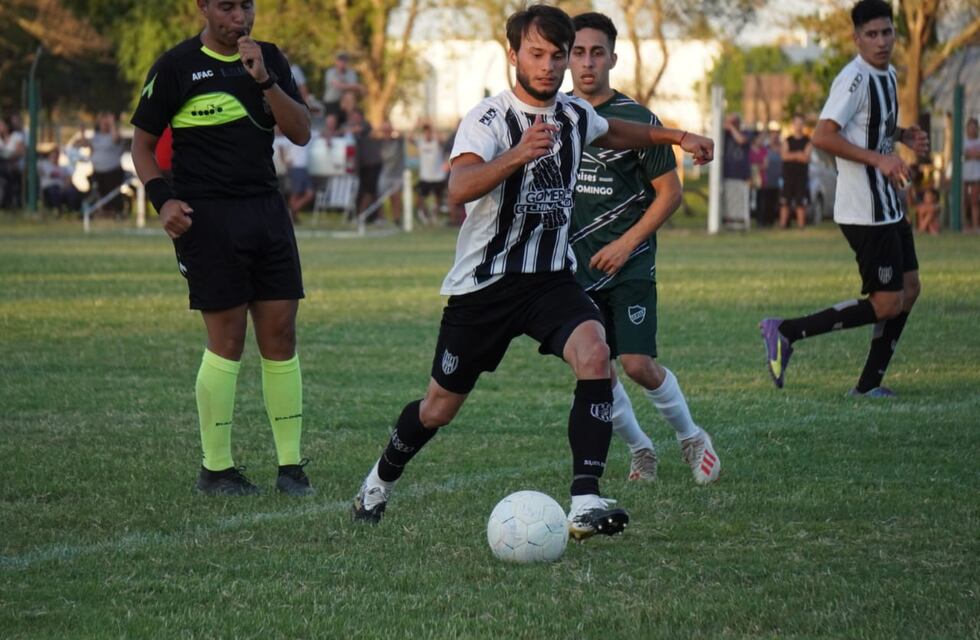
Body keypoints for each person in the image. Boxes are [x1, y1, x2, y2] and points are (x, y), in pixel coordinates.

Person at [350, 4, 713, 539]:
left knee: (595, 353)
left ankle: (585, 499)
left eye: (556, 55)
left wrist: (677, 137)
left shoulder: (572, 114)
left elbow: (614, 132)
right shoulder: (489, 119)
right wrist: (518, 155)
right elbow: (460, 187)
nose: (548, 65)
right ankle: (379, 480)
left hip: (549, 279)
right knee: (437, 409)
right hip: (486, 286)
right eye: (536, 54)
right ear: (513, 53)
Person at [130, 0, 314, 495]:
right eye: (228, 7)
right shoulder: (175, 66)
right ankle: (216, 469)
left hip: (266, 212)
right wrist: (162, 200)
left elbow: (300, 133)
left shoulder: (269, 58)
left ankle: (291, 467)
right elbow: (142, 146)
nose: (241, 17)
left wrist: (265, 80)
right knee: (227, 340)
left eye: (247, 6)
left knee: (280, 334)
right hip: (207, 219)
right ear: (204, 8)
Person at [567, 12, 720, 485]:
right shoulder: (559, 115)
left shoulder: (638, 120)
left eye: (597, 52)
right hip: (573, 270)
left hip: (630, 264)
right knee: (596, 371)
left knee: (636, 364)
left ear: (614, 57)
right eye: (577, 52)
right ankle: (641, 449)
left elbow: (669, 193)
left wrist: (625, 243)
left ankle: (692, 437)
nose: (587, 62)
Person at [759, 0, 929, 398]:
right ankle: (787, 330)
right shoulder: (853, 79)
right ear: (856, 39)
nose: (881, 41)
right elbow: (824, 135)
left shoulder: (886, 74)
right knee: (887, 303)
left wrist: (901, 135)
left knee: (911, 288)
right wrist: (880, 159)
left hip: (887, 204)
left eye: (887, 32)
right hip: (863, 209)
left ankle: (869, 385)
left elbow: (868, 127)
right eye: (872, 34)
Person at [87, 112, 127, 216]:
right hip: (98, 172)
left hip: (112, 171)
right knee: (99, 193)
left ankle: (116, 212)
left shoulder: (114, 135)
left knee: (112, 194)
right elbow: (91, 150)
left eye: (106, 123)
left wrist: (112, 123)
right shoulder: (96, 136)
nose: (104, 125)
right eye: (102, 122)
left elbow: (115, 139)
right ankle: (102, 212)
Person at [779, 114, 812, 230]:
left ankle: (801, 226)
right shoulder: (787, 140)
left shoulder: (807, 140)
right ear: (793, 125)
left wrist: (791, 155)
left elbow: (806, 157)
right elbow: (784, 156)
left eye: (800, 123)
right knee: (785, 201)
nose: (798, 126)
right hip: (788, 176)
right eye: (796, 123)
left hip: (801, 177)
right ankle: (783, 225)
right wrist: (798, 154)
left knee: (800, 202)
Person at [414, 121, 447, 223]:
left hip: (438, 176)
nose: (428, 134)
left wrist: (433, 127)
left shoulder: (436, 142)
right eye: (426, 132)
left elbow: (442, 139)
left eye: (429, 132)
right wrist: (416, 125)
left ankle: (434, 217)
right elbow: (410, 137)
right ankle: (424, 215)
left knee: (438, 198)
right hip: (425, 177)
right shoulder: (420, 142)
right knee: (419, 197)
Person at [722, 113, 750, 227]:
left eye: (734, 122)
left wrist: (732, 128)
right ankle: (727, 220)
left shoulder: (746, 133)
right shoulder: (725, 136)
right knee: (728, 199)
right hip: (727, 173)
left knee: (740, 199)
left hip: (740, 174)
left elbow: (741, 140)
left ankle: (740, 221)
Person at [377, 120, 405, 224]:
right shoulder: (379, 142)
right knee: (380, 198)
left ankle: (397, 219)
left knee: (396, 197)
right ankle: (381, 218)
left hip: (397, 174)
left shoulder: (398, 141)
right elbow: (370, 135)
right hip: (385, 174)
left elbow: (402, 135)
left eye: (388, 130)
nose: (386, 132)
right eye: (384, 130)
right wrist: (380, 129)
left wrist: (392, 130)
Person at [38, 147, 82, 213]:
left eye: (56, 155)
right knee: (54, 191)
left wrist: (66, 186)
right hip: (50, 188)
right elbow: (52, 174)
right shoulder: (44, 164)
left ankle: (72, 212)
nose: (55, 157)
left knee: (72, 191)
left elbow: (68, 179)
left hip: (62, 188)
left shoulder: (62, 168)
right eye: (53, 155)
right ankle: (58, 211)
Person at [322, 52, 362, 120]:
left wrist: (354, 87)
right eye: (340, 60)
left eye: (344, 61)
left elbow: (353, 87)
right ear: (336, 61)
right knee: (331, 120)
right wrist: (355, 86)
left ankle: (349, 120)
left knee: (349, 96)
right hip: (331, 102)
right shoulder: (330, 72)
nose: (342, 63)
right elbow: (338, 85)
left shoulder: (351, 73)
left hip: (344, 102)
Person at [0, 115, 26, 209]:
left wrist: (8, 156)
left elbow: (20, 153)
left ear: (7, 126)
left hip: (15, 166)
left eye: (1, 125)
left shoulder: (16, 136)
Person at [759, 129, 783, 226]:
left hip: (778, 180)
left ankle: (772, 220)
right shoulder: (765, 149)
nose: (774, 139)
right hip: (767, 180)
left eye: (776, 137)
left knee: (776, 202)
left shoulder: (782, 149)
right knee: (765, 202)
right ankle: (764, 221)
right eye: (772, 137)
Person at [964, 116, 980, 233]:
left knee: (975, 201)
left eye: (974, 127)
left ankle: (975, 226)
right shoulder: (963, 141)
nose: (972, 129)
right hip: (964, 176)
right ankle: (966, 225)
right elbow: (963, 155)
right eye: (970, 127)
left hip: (976, 176)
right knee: (966, 201)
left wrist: (971, 154)